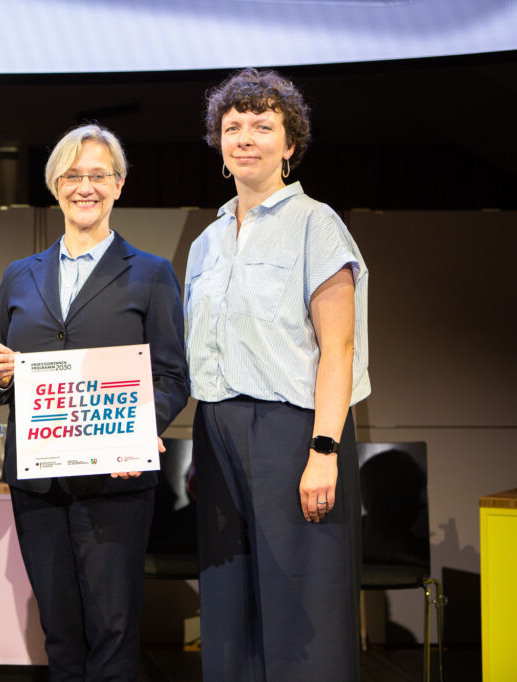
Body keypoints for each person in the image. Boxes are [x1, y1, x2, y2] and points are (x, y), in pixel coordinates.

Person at [0, 124, 189, 681]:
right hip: (38, 484)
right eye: (72, 175)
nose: (85, 187)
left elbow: (172, 375)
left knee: (113, 633)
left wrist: (138, 432)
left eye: (98, 175)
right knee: (60, 634)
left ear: (118, 185)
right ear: (55, 186)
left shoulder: (151, 274)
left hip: (115, 484)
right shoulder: (19, 276)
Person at [184, 68, 370, 681]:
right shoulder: (207, 242)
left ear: (290, 145)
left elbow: (339, 348)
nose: (245, 138)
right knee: (228, 608)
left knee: (301, 611)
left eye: (262, 126)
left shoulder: (317, 224)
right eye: (233, 126)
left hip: (291, 434)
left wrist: (324, 450)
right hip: (216, 430)